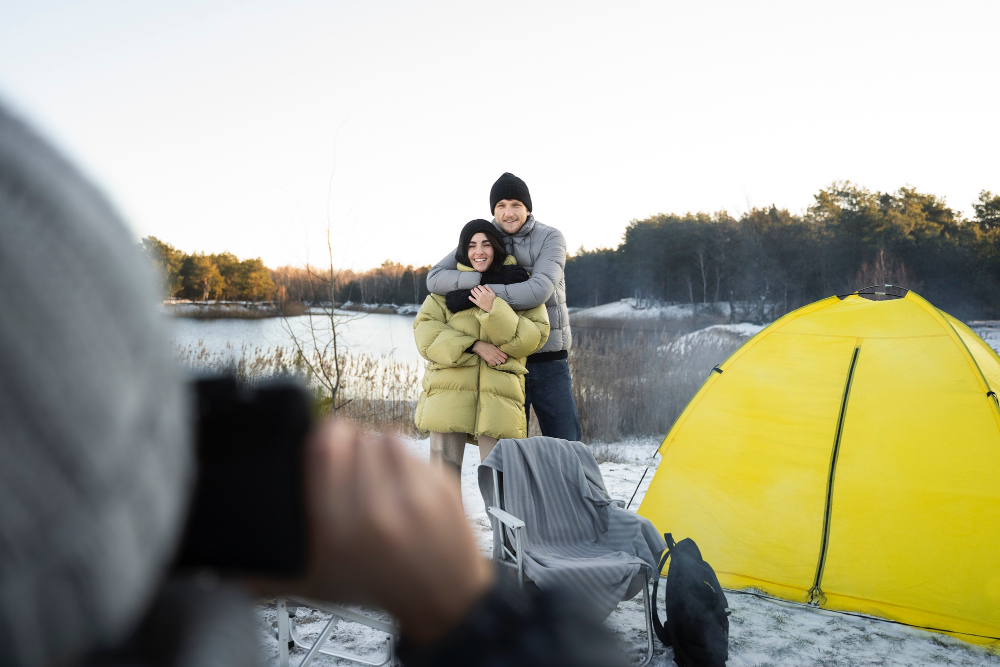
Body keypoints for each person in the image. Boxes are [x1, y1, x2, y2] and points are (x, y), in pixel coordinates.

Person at [0, 102, 628, 666]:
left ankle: (530, 552)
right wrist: (466, 614)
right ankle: (487, 564)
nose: (498, 227)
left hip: (515, 387)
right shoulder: (453, 277)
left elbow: (534, 313)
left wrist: (489, 308)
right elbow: (428, 331)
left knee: (527, 473)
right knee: (443, 487)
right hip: (454, 401)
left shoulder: (539, 249)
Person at [427, 173, 582, 441]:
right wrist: (485, 281)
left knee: (566, 443)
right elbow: (435, 278)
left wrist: (476, 295)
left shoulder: (550, 238)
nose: (508, 213)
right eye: (501, 206)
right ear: (493, 210)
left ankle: (580, 485)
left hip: (547, 359)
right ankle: (512, 486)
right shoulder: (483, 236)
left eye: (515, 205)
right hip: (503, 357)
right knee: (506, 450)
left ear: (527, 207)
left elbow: (538, 291)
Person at [414, 219, 549, 483]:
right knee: (443, 482)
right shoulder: (444, 290)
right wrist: (474, 345)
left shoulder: (521, 286)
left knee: (502, 482)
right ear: (463, 251)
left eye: (486, 244)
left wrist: (494, 308)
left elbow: (532, 338)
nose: (479, 252)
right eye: (472, 245)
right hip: (447, 394)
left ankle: (503, 528)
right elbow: (426, 336)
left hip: (499, 397)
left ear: (497, 248)